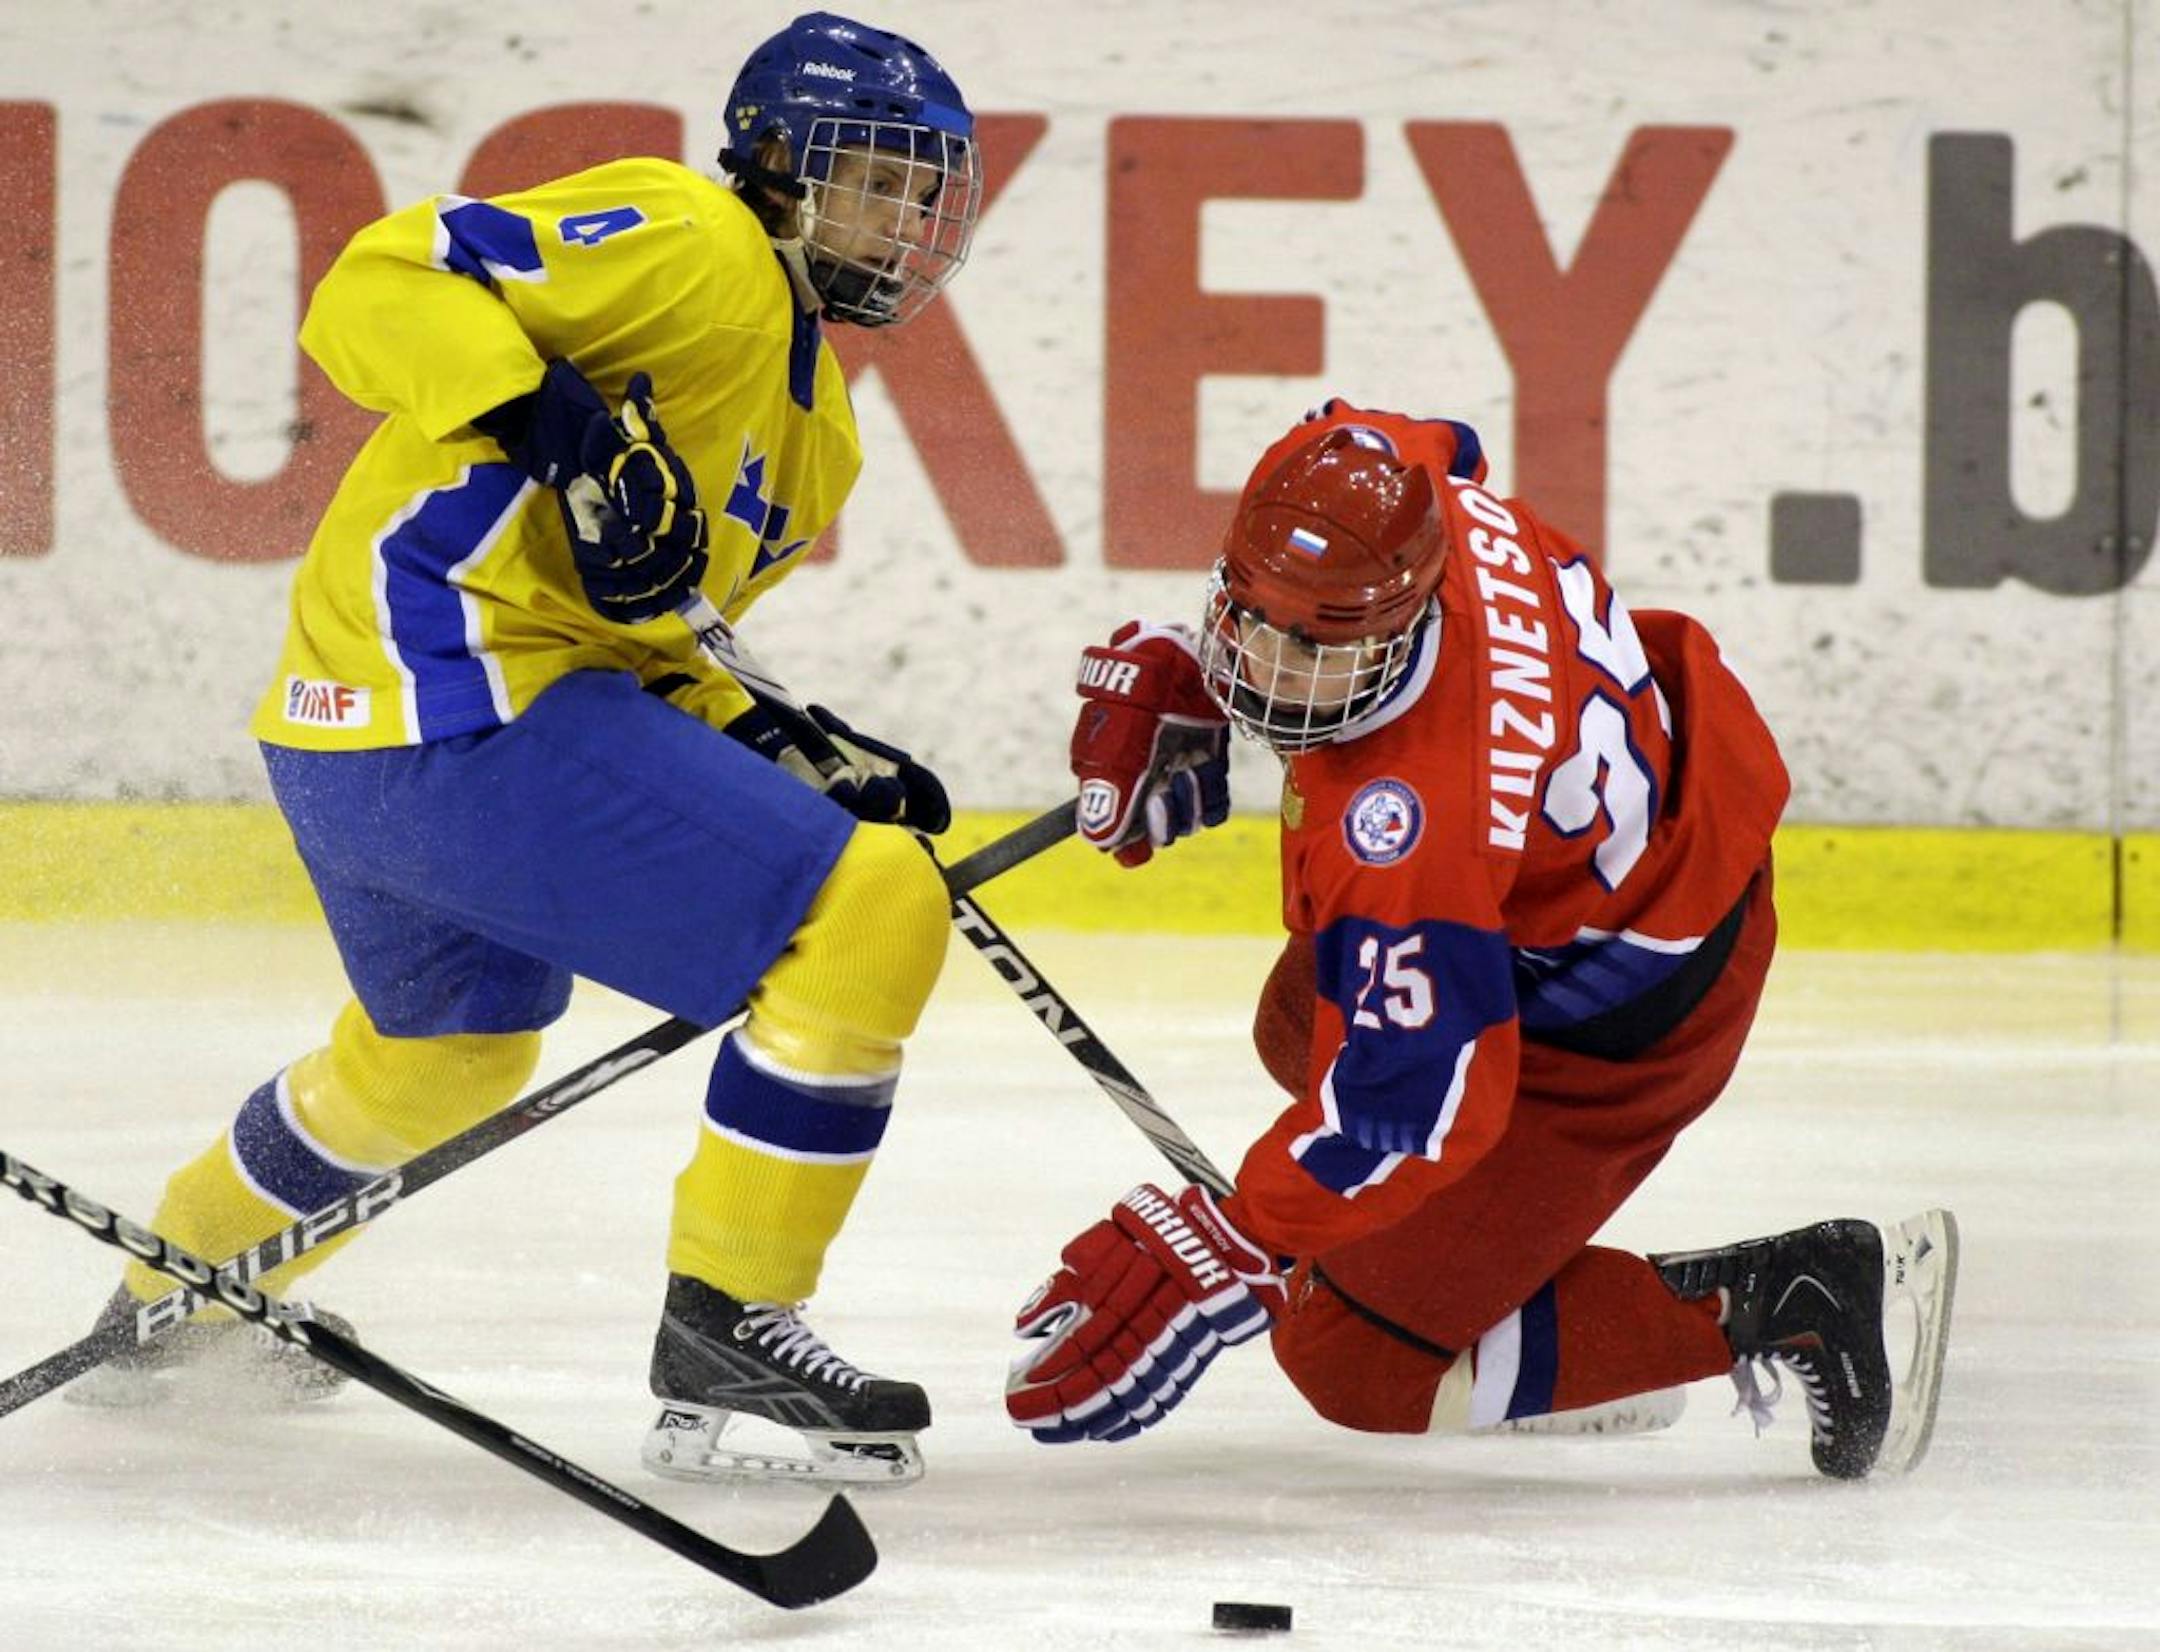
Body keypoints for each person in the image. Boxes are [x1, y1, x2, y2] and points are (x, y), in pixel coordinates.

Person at [73, 12, 981, 1489]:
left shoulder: (821, 449)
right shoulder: (694, 237)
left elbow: (648, 652)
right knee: (873, 903)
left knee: (448, 1057)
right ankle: (732, 1332)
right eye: (874, 177)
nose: (905, 217)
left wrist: (785, 742)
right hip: (446, 692)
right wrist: (557, 421)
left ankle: (173, 1296)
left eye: (922, 190)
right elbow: (376, 286)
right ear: (773, 160)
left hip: (378, 738)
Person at [1006, 401, 1959, 1479]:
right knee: (1295, 1033)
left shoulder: (1413, 822)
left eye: (1318, 645)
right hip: (1608, 852)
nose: (1267, 670)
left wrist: (1239, 1241)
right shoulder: (1387, 487)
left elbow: (1419, 1101)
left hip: (1626, 1015)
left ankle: (1794, 1299)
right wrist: (1191, 666)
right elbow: (1435, 436)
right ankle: (1469, 1292)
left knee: (1348, 1357)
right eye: (1247, 619)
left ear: (1404, 618)